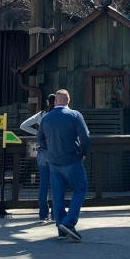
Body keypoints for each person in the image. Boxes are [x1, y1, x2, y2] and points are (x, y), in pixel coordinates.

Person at [38, 89, 90, 241]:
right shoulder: (75, 115)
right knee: (80, 189)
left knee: (58, 194)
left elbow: (40, 138)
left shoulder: (46, 118)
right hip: (72, 159)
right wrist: (84, 152)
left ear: (55, 101)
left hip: (54, 161)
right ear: (68, 100)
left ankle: (61, 229)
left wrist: (50, 149)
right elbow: (85, 136)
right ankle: (69, 222)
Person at [20, 94, 57, 222]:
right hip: (55, 151)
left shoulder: (41, 115)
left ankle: (43, 214)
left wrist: (38, 133)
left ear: (48, 102)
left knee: (43, 184)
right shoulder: (58, 115)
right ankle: (55, 214)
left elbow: (23, 125)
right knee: (56, 184)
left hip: (42, 151)